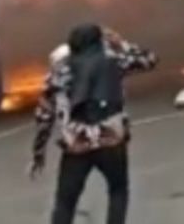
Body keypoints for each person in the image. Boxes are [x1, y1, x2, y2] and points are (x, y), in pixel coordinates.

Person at [29, 24, 158, 224]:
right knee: (118, 191)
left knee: (65, 201)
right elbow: (149, 59)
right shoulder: (114, 63)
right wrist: (120, 43)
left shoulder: (58, 74)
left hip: (76, 144)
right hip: (111, 140)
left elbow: (44, 115)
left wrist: (39, 153)